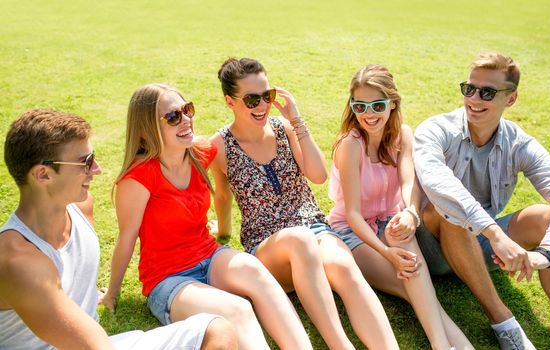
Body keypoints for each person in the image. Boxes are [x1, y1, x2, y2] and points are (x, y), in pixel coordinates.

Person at [0, 109, 237, 350]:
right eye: (85, 162)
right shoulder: (18, 261)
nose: (97, 169)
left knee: (217, 330)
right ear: (43, 174)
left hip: (98, 344)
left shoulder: (81, 207)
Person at [100, 83, 312, 350]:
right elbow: (127, 237)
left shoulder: (201, 151)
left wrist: (222, 229)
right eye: (173, 117)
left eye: (186, 109)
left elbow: (224, 191)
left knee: (258, 274)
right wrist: (111, 294)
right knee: (237, 309)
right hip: (169, 278)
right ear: (146, 130)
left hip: (209, 256)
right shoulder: (137, 178)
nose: (187, 119)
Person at [211, 57, 398, 350]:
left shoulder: (285, 128)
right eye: (251, 99)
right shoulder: (220, 145)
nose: (261, 106)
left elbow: (319, 176)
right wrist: (222, 232)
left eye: (267, 96)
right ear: (229, 101)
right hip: (267, 244)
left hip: (314, 227)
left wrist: (296, 120)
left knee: (344, 267)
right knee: (299, 240)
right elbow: (221, 196)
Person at [413, 52, 550, 350]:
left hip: (482, 246)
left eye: (487, 92)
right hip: (430, 245)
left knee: (549, 216)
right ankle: (504, 323)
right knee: (448, 209)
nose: (474, 98)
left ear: (510, 99)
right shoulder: (435, 130)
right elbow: (440, 187)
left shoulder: (519, 142)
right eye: (469, 88)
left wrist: (548, 252)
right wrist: (495, 234)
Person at [328, 64, 473, 350]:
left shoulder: (403, 134)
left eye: (377, 105)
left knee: (410, 263)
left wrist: (411, 212)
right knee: (415, 287)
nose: (368, 114)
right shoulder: (350, 145)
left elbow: (409, 184)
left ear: (392, 103)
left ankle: (445, 346)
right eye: (360, 106)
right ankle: (449, 346)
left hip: (391, 223)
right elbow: (353, 214)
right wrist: (387, 254)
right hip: (353, 233)